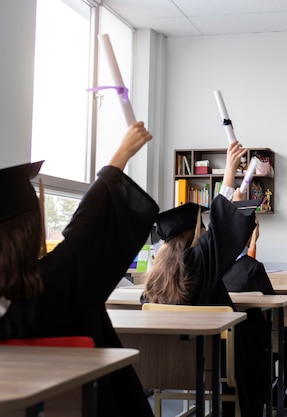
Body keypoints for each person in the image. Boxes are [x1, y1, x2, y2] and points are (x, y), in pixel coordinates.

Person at [0, 122, 159, 417]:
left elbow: (88, 222)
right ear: (32, 226)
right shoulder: (58, 280)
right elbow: (89, 223)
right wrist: (122, 154)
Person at [141, 140, 271, 417]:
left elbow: (218, 234)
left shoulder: (154, 277)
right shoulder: (194, 262)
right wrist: (230, 173)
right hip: (210, 361)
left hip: (164, 366)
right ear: (195, 232)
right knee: (253, 339)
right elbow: (219, 235)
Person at [222, 220, 287, 407]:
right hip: (254, 341)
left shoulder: (215, 266)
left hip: (223, 342)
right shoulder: (252, 268)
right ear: (250, 237)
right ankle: (277, 388)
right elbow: (271, 304)